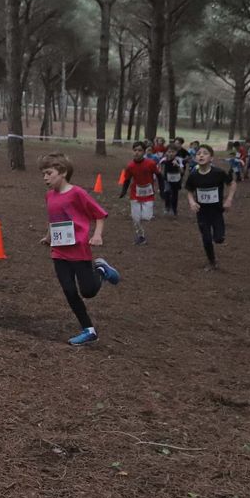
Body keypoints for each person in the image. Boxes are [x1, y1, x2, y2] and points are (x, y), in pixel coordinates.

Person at [39, 152, 121, 347]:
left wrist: (97, 235)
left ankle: (101, 270)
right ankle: (89, 330)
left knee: (88, 292)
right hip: (59, 252)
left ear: (63, 172)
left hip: (78, 250)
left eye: (49, 173)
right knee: (68, 290)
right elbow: (54, 218)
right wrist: (49, 237)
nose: (45, 178)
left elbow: (99, 214)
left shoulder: (78, 193)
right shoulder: (49, 195)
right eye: (43, 174)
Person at [184, 144, 236, 270]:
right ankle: (212, 261)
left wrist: (229, 199)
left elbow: (232, 183)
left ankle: (219, 237)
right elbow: (189, 190)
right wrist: (192, 202)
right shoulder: (194, 175)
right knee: (206, 238)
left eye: (205, 153)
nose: (201, 155)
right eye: (198, 153)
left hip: (217, 211)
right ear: (196, 158)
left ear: (211, 158)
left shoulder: (218, 173)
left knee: (218, 239)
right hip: (202, 212)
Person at [118, 141, 164, 244]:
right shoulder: (130, 166)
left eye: (140, 150)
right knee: (136, 218)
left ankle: (141, 233)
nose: (137, 153)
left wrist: (162, 190)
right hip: (135, 194)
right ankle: (140, 236)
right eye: (135, 150)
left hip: (148, 194)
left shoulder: (150, 164)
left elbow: (160, 176)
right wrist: (123, 191)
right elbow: (127, 180)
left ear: (144, 152)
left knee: (146, 217)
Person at [160, 143, 186, 217]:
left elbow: (182, 171)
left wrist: (177, 165)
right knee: (167, 193)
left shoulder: (179, 160)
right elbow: (160, 169)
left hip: (176, 180)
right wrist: (162, 175)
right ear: (166, 152)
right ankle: (167, 207)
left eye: (173, 152)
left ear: (176, 152)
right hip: (167, 180)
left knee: (175, 194)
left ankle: (174, 209)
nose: (171, 153)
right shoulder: (163, 160)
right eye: (169, 152)